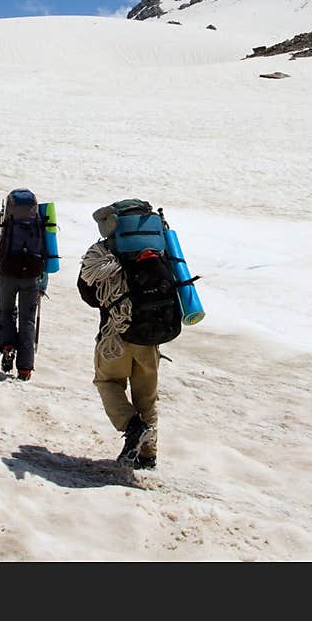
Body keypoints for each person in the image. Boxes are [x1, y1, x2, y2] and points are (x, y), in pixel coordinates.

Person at [76, 200, 181, 470]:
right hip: (150, 338)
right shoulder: (161, 249)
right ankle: (148, 457)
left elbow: (88, 294)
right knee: (146, 397)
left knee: (108, 382)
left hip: (115, 336)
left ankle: (133, 428)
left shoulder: (103, 251)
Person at [0, 189, 49, 381]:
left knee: (6, 312)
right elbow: (46, 256)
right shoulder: (40, 226)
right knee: (27, 320)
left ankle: (7, 346)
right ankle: (25, 369)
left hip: (7, 275)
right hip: (31, 276)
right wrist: (42, 284)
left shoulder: (4, 225)